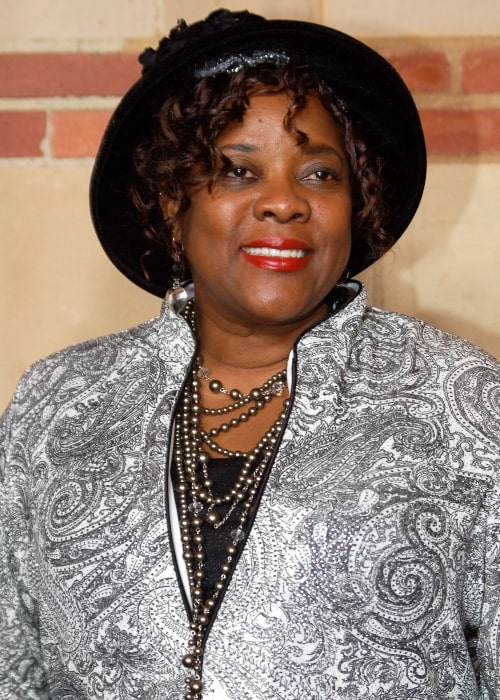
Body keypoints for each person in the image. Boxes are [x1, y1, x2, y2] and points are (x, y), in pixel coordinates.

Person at [0, 8, 498, 700]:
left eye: (320, 174)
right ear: (174, 199)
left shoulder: (467, 406)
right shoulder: (58, 404)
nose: (284, 203)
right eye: (237, 171)